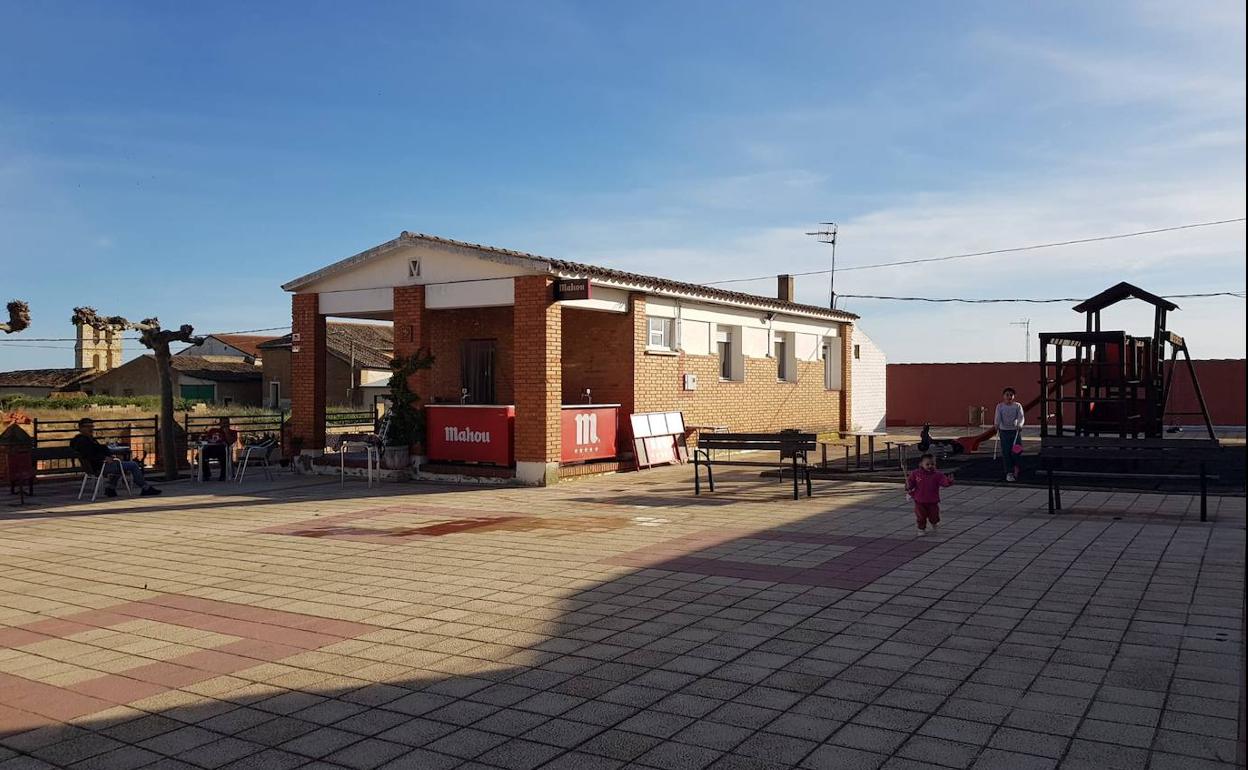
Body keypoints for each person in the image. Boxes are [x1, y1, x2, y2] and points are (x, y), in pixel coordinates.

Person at [69, 418, 162, 497]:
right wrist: (104, 458)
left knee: (119, 465)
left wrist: (107, 454)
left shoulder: (84, 440)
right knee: (132, 464)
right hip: (100, 466)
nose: (91, 429)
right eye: (87, 427)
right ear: (81, 428)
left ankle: (111, 488)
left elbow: (98, 450)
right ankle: (145, 488)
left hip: (95, 466)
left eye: (92, 426)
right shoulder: (83, 441)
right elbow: (89, 454)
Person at [906, 453, 953, 535]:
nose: (930, 466)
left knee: (934, 515)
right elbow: (910, 483)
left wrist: (949, 481)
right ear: (921, 464)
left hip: (932, 500)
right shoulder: (915, 473)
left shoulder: (938, 475)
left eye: (932, 464)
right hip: (919, 500)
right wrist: (908, 486)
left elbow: (944, 483)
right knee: (921, 516)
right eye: (927, 464)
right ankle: (921, 529)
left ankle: (934, 523)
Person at [995, 387, 1025, 481]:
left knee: (1017, 451)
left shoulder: (1017, 406)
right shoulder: (1000, 406)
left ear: (1014, 396)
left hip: (1015, 432)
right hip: (1004, 432)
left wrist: (1020, 424)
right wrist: (996, 424)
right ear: (1003, 396)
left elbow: (1021, 417)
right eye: (1007, 395)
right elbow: (997, 416)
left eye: (1011, 395)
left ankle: (1017, 466)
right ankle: (1009, 472)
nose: (1009, 397)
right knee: (1006, 452)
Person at [200, 417, 238, 481]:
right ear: (220, 423)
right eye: (224, 423)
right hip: (211, 448)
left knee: (223, 455)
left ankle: (223, 475)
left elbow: (230, 442)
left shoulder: (233, 432)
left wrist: (226, 433)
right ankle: (206, 474)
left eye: (227, 423)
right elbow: (206, 439)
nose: (225, 425)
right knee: (200, 456)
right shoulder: (213, 430)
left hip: (223, 449)